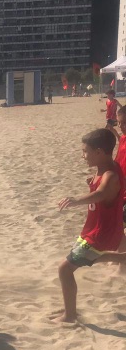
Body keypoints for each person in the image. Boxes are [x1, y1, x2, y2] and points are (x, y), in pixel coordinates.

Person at [56, 128, 125, 323]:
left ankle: (69, 316)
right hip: (93, 230)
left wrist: (76, 200)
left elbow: (101, 193)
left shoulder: (110, 175)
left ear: (99, 152)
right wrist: (93, 182)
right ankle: (123, 259)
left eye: (85, 151)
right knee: (84, 259)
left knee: (64, 269)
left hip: (100, 234)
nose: (83, 156)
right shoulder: (104, 167)